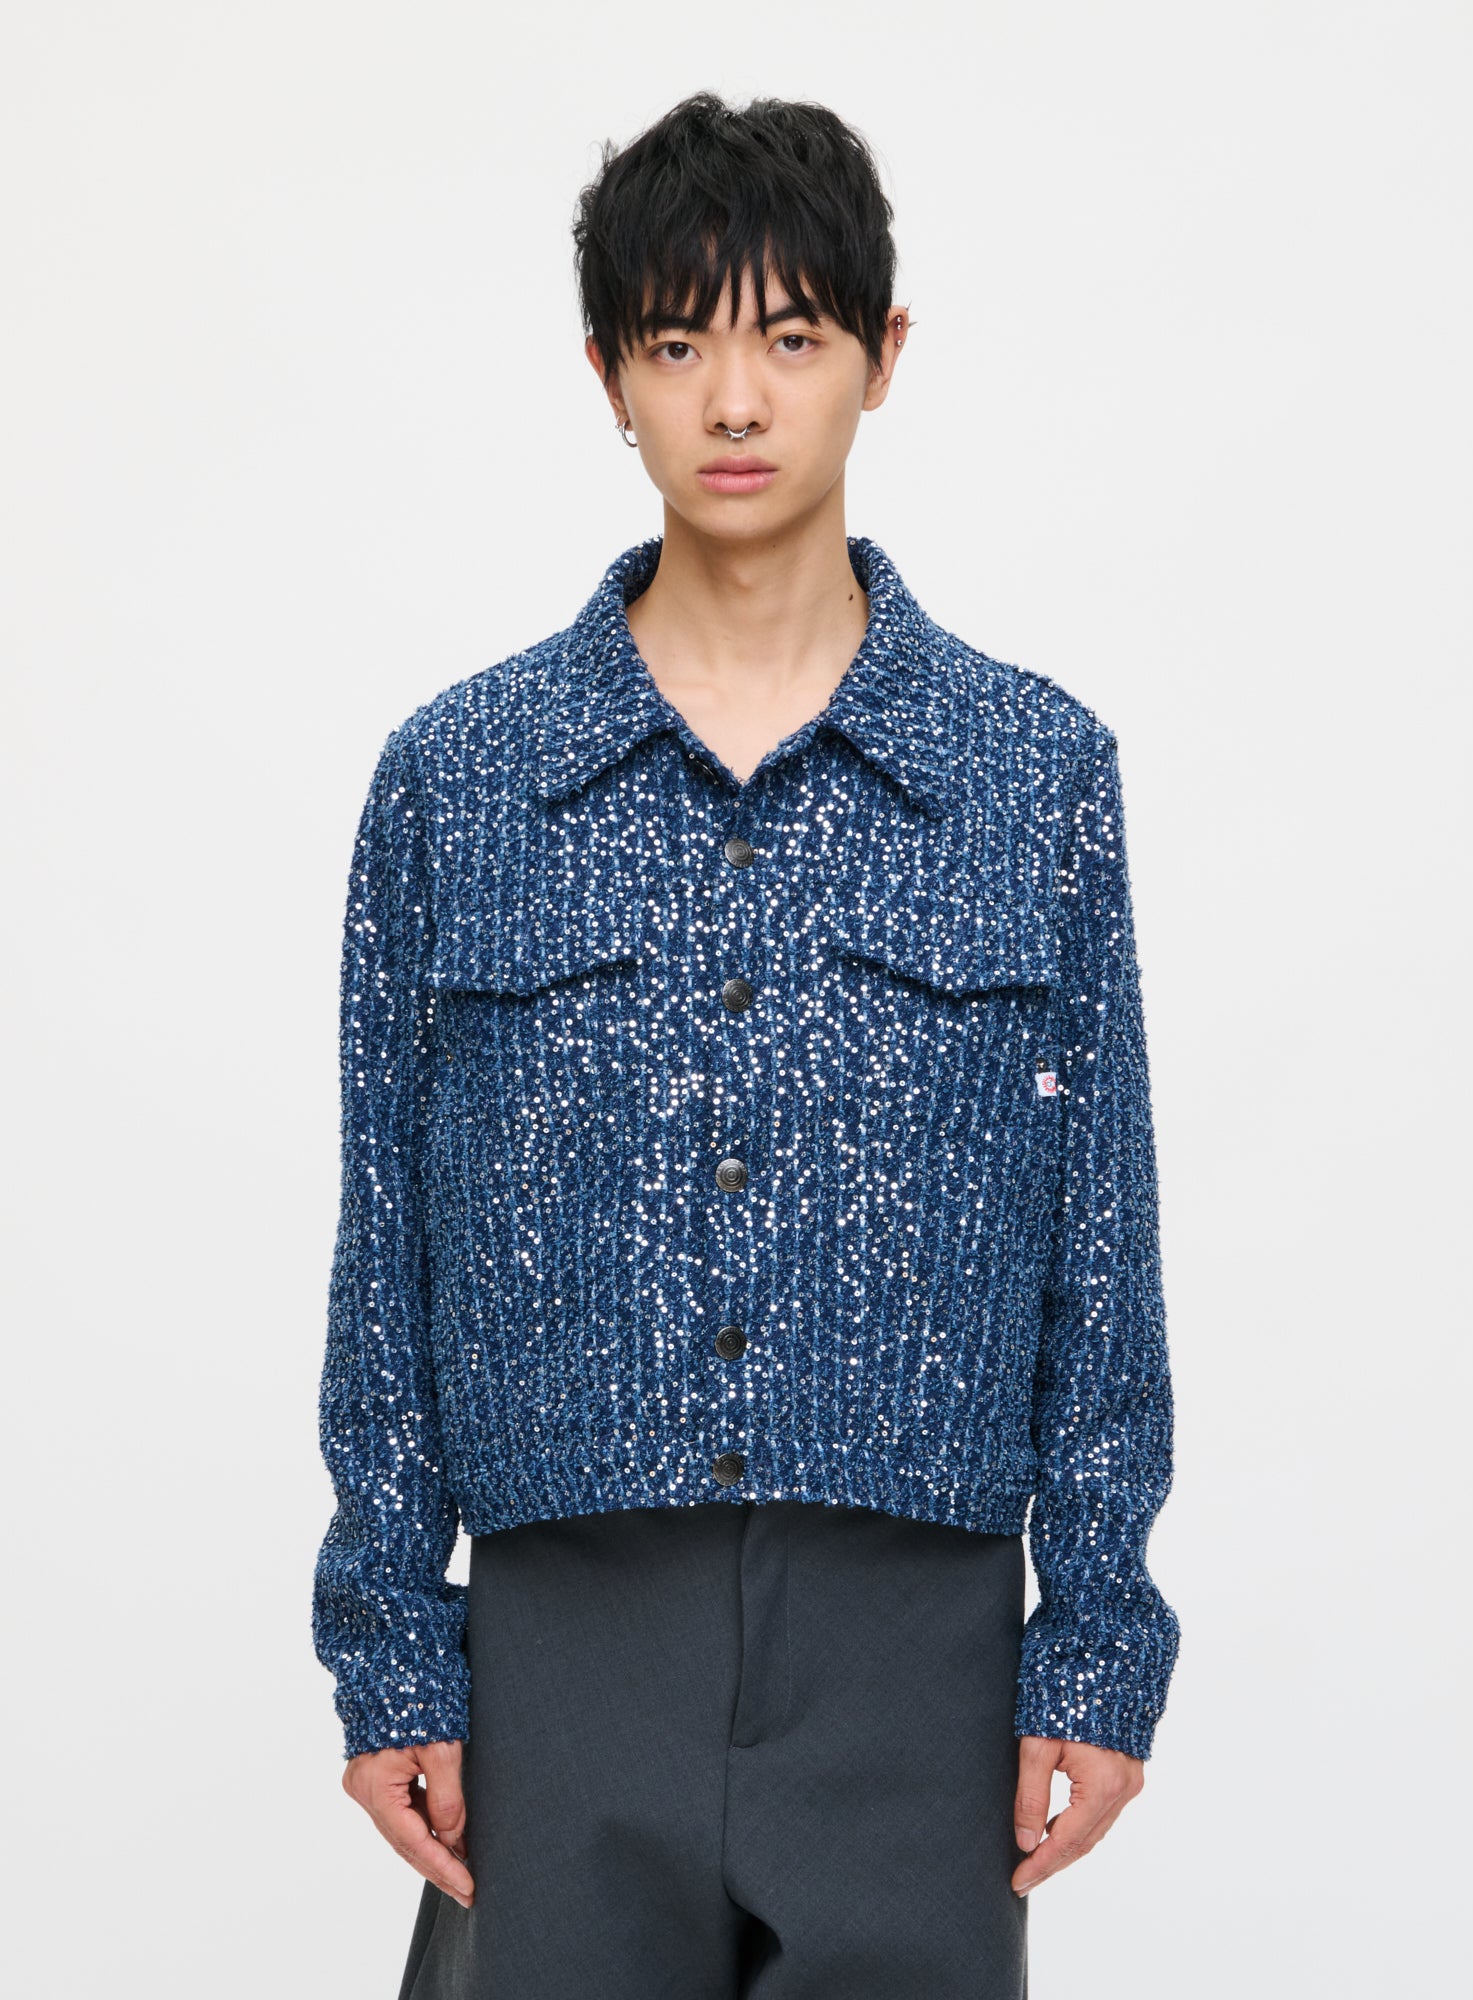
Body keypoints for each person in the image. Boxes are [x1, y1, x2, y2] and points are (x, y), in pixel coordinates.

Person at [312, 89, 1181, 1998]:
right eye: (676, 343)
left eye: (790, 338)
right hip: (562, 1642)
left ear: (883, 356)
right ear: (606, 377)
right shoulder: (460, 779)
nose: (733, 401)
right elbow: (389, 1236)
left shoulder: (1032, 773)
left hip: (916, 1648)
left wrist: (1098, 1637)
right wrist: (390, 1647)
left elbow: (1099, 1227)